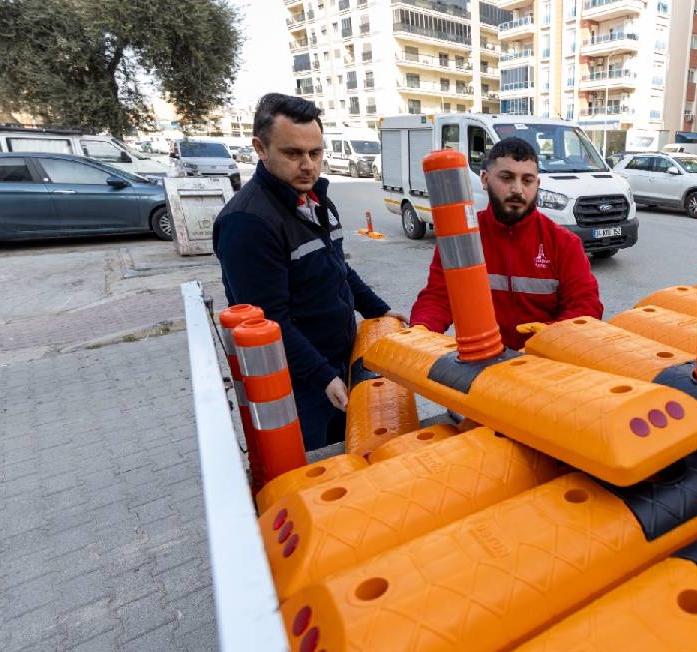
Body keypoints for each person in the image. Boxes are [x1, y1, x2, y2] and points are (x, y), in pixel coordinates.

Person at [213, 93, 404, 451]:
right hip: (296, 384)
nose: (308, 165)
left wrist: (378, 309)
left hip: (336, 364)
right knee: (313, 466)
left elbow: (337, 267)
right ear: (260, 148)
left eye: (315, 153)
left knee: (349, 456)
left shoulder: (314, 199)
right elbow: (269, 321)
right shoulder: (247, 223)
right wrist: (321, 376)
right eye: (293, 153)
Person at [410, 137, 603, 349]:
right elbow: (438, 298)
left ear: (537, 184)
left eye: (527, 180)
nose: (517, 190)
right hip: (482, 360)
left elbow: (586, 306)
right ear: (485, 179)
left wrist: (549, 337)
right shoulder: (461, 239)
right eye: (506, 178)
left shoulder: (564, 243)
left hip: (545, 363)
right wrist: (421, 331)